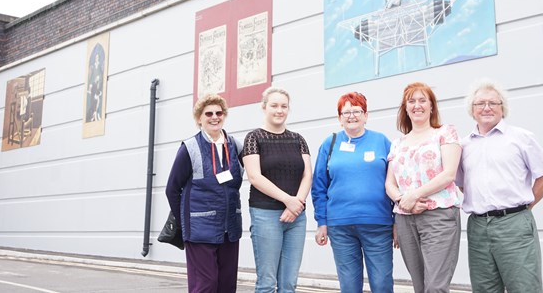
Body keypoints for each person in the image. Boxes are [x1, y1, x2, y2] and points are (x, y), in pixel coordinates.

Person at [458, 78, 543, 293]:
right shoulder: (463, 146)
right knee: (484, 289)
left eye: (493, 103)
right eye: (480, 104)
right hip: (478, 227)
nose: (487, 108)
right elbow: (464, 185)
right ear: (472, 110)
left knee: (524, 287)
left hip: (514, 224)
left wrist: (525, 207)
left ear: (503, 108)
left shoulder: (521, 138)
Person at [311, 92, 394, 293]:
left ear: (366, 115)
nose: (351, 116)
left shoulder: (381, 141)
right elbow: (319, 187)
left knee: (382, 284)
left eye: (357, 110)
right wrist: (322, 222)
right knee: (349, 287)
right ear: (339, 118)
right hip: (340, 227)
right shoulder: (329, 144)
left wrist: (397, 222)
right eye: (346, 112)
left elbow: (396, 181)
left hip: (378, 225)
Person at [385, 82, 462, 293]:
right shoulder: (397, 143)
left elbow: (449, 174)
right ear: (405, 108)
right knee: (420, 286)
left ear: (431, 106)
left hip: (439, 216)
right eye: (411, 101)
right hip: (405, 218)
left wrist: (414, 195)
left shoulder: (445, 133)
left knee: (435, 286)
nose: (417, 105)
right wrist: (403, 201)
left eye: (422, 100)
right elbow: (389, 184)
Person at [165, 94, 243, 293]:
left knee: (226, 286)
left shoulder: (235, 145)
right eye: (209, 113)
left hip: (230, 229)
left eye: (219, 113)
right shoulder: (189, 147)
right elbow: (172, 189)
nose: (214, 117)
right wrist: (186, 221)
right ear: (199, 118)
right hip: (200, 229)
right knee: (205, 286)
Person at [242, 87, 312, 293]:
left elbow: (307, 174)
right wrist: (287, 200)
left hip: (296, 217)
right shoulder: (254, 138)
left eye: (284, 106)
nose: (279, 110)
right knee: (266, 283)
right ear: (264, 107)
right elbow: (255, 177)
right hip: (266, 215)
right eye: (274, 105)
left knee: (289, 284)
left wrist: (296, 204)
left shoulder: (298, 139)